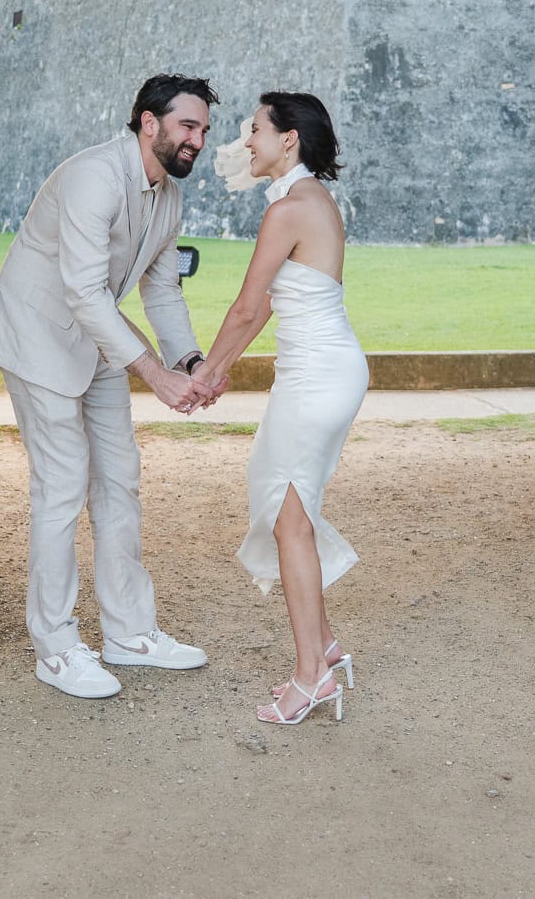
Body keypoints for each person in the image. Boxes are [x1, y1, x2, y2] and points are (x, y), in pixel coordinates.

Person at [0, 75, 222, 699]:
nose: (198, 141)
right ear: (148, 123)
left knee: (120, 478)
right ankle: (54, 649)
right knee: (62, 486)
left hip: (99, 339)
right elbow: (82, 290)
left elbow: (161, 289)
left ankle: (130, 634)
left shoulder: (168, 197)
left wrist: (186, 361)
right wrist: (153, 374)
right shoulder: (93, 177)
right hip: (38, 334)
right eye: (188, 126)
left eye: (205, 131)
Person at [193, 92, 367, 726]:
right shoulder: (308, 201)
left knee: (289, 516)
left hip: (316, 377)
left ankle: (311, 677)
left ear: (288, 139)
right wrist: (219, 369)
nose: (246, 142)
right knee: (288, 506)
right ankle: (324, 648)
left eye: (256, 130)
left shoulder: (290, 208)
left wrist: (203, 377)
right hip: (323, 370)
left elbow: (245, 306)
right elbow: (265, 308)